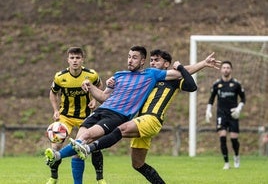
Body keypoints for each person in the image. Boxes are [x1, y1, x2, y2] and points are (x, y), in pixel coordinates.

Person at [69, 49, 220, 183]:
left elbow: (191, 84)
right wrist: (111, 84)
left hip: (152, 118)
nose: (153, 63)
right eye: (151, 60)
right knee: (138, 164)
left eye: (157, 60)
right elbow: (122, 90)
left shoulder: (173, 81)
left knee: (120, 129)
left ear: (167, 64)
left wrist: (192, 65)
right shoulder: (148, 78)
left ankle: (88, 148)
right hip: (139, 120)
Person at [46, 47, 105, 184]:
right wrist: (55, 110)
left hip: (86, 116)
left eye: (77, 58)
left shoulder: (91, 74)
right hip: (66, 116)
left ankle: (100, 179)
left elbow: (99, 85)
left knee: (91, 147)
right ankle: (53, 177)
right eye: (72, 58)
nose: (75, 61)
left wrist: (94, 99)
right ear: (68, 60)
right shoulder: (60, 76)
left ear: (82, 59)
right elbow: (53, 92)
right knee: (56, 145)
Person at [205, 60, 246, 170]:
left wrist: (239, 108)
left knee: (234, 139)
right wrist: (208, 110)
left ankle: (236, 156)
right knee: (222, 137)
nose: (226, 69)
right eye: (224, 67)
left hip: (233, 115)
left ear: (231, 70)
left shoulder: (236, 84)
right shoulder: (217, 84)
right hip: (221, 115)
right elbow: (211, 99)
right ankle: (226, 163)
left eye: (228, 67)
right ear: (221, 70)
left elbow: (243, 98)